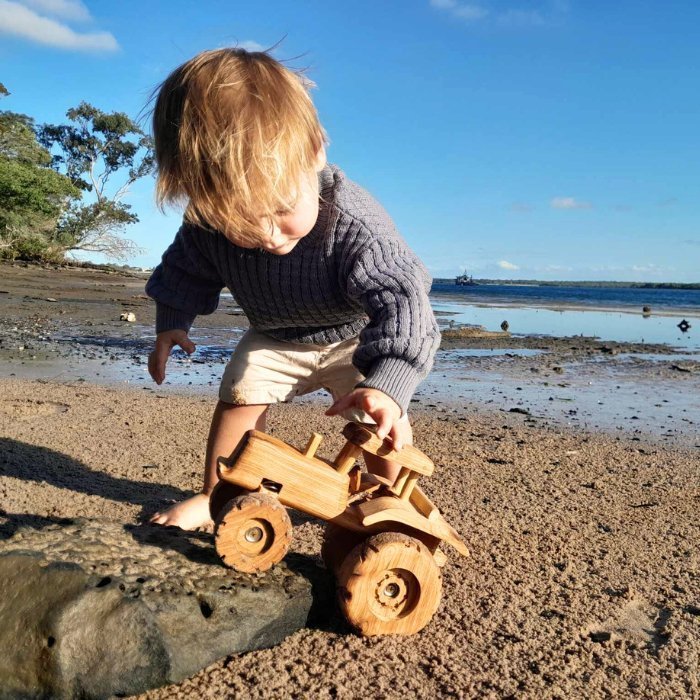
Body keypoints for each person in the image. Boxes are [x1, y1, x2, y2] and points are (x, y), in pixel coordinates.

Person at [146, 48, 440, 530]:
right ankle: (220, 497)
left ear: (316, 150)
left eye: (281, 208)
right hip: (274, 337)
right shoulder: (207, 224)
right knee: (238, 398)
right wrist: (171, 324)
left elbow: (404, 301)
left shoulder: (354, 223)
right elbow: (185, 270)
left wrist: (388, 384)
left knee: (380, 425)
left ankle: (392, 505)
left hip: (353, 340)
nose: (268, 234)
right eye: (240, 222)